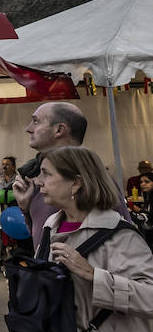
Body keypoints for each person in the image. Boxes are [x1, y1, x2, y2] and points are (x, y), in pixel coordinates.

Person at [24, 146, 153, 332]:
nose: (39, 181)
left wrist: (94, 275)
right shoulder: (52, 227)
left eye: (47, 174)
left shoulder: (120, 235)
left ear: (75, 183)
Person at [12, 102, 132, 246]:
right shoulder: (38, 179)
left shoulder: (92, 178)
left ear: (59, 130)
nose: (28, 129)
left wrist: (87, 269)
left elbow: (125, 238)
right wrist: (26, 209)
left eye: (36, 121)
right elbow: (39, 236)